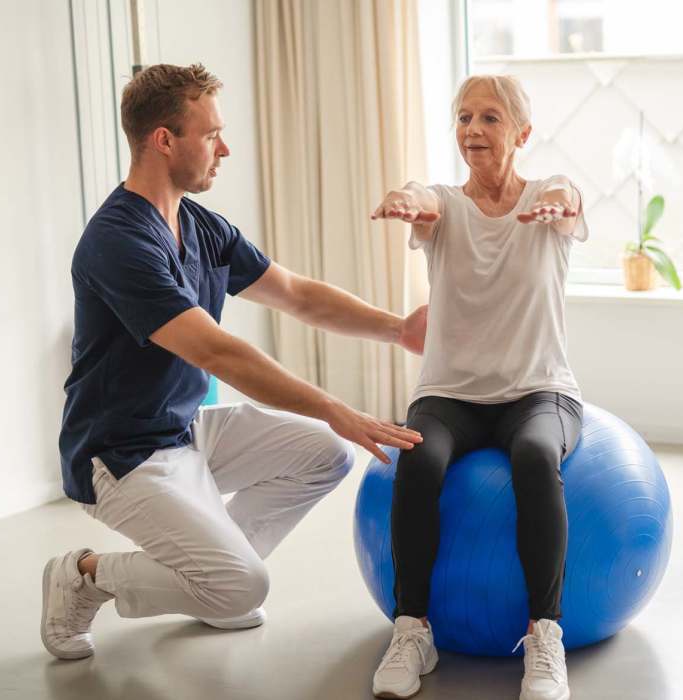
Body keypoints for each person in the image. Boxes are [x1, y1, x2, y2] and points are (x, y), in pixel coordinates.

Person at [41, 63, 426, 660]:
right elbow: (218, 352)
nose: (225, 148)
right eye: (211, 134)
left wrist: (398, 329)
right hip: (120, 451)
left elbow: (295, 293)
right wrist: (334, 406)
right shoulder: (118, 242)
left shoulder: (200, 225)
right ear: (164, 140)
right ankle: (86, 573)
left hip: (185, 429)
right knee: (245, 586)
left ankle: (210, 585)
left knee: (325, 454)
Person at [368, 75, 588, 700]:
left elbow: (567, 197)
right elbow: (425, 198)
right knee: (418, 458)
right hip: (450, 395)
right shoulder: (443, 205)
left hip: (540, 390)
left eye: (489, 119)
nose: (472, 131)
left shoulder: (547, 198)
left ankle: (545, 635)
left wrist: (562, 204)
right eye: (463, 118)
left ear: (522, 133)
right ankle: (413, 630)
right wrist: (406, 199)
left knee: (536, 455)